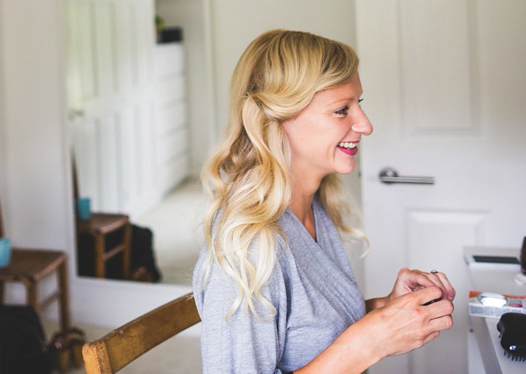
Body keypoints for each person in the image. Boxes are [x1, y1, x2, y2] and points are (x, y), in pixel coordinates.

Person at [193, 29, 455, 374]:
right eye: (341, 110)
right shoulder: (249, 247)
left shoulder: (311, 208)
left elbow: (304, 328)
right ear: (280, 118)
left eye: (358, 105)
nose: (365, 125)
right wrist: (367, 343)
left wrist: (387, 308)